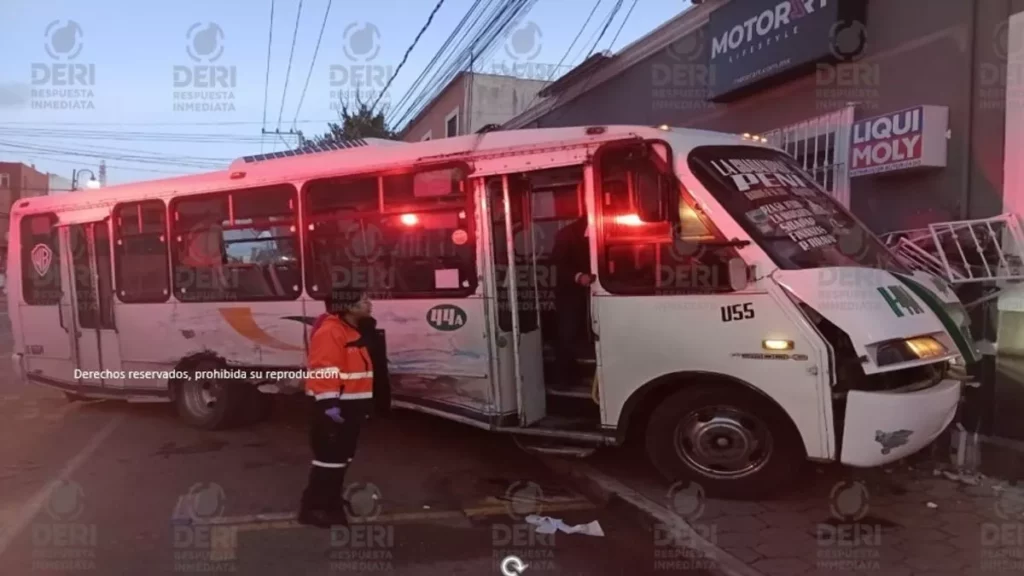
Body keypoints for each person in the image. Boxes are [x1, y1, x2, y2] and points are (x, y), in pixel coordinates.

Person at [298, 291, 375, 528]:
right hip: (334, 407)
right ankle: (313, 509)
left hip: (349, 405)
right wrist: (329, 404)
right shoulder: (331, 332)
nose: (369, 303)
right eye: (364, 301)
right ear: (349, 307)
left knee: (340, 459)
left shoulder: (351, 330)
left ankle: (329, 503)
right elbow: (323, 369)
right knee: (329, 460)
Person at [550, 215, 594, 388]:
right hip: (570, 293)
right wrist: (578, 276)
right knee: (568, 334)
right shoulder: (567, 233)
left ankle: (577, 374)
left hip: (593, 291)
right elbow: (557, 265)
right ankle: (562, 379)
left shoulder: (608, 227)